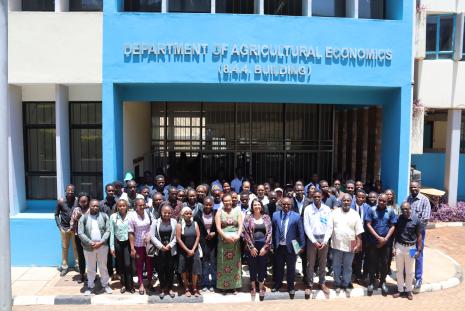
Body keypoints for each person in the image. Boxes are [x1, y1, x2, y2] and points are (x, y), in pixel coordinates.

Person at [328, 194, 364, 293]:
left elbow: (359, 231)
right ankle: (337, 282)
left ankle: (346, 282)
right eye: (344, 200)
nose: (346, 202)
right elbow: (329, 228)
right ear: (341, 201)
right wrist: (325, 241)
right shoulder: (334, 213)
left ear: (351, 201)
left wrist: (359, 244)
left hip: (351, 242)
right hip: (336, 242)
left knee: (348, 265)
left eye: (348, 200)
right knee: (336, 265)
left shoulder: (355, 214)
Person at [271, 197, 305, 299]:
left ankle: (290, 286)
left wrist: (302, 245)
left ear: (291, 205)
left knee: (291, 268)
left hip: (291, 246)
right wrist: (272, 244)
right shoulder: (275, 215)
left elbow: (301, 232)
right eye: (284, 204)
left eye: (288, 204)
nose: (286, 206)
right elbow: (273, 231)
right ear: (281, 205)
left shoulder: (296, 216)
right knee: (279, 267)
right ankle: (278, 284)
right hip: (279, 246)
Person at [78, 199, 112, 295]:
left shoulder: (104, 216)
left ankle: (105, 285)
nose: (95, 207)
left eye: (97, 206)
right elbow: (80, 233)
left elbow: (108, 230)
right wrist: (90, 243)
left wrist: (101, 242)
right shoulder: (83, 218)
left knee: (103, 267)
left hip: (102, 246)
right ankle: (90, 285)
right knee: (90, 268)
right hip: (89, 247)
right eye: (93, 206)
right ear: (89, 206)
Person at [365, 193, 397, 296]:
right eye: (380, 200)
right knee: (372, 263)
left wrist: (386, 239)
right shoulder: (371, 209)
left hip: (386, 243)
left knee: (384, 264)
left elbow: (392, 226)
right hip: (373, 242)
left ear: (387, 202)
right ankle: (371, 283)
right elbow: (368, 224)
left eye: (384, 201)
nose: (382, 202)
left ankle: (383, 283)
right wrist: (378, 238)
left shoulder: (391, 211)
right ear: (378, 200)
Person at [303, 190, 332, 297]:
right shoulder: (308, 209)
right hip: (312, 240)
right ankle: (309, 284)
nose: (317, 198)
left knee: (323, 263)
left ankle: (322, 283)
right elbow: (306, 226)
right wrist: (314, 241)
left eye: (319, 197)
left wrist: (325, 241)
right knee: (310, 263)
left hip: (324, 239)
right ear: (312, 197)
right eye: (315, 197)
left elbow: (330, 227)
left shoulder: (327, 209)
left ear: (322, 197)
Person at [393, 202, 423, 301]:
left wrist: (419, 250)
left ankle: (409, 290)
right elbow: (395, 233)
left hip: (411, 248)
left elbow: (419, 235)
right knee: (399, 270)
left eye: (406, 209)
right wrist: (394, 247)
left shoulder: (416, 220)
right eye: (403, 209)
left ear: (410, 209)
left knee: (409, 271)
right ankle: (400, 289)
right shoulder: (398, 218)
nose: (405, 211)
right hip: (399, 247)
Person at [243, 199, 272, 301]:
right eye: (255, 205)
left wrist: (265, 247)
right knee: (252, 266)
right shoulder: (248, 218)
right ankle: (253, 287)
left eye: (258, 204)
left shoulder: (266, 217)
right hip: (252, 247)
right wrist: (251, 247)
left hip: (263, 246)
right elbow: (245, 233)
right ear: (252, 206)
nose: (257, 206)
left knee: (262, 266)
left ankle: (261, 287)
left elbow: (269, 233)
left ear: (261, 206)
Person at [215, 194, 244, 294]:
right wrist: (225, 236)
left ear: (232, 201)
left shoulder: (238, 211)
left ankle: (234, 286)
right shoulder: (219, 212)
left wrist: (238, 236)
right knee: (223, 264)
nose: (228, 203)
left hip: (235, 242)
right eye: (225, 201)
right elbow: (218, 228)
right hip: (223, 242)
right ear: (222, 202)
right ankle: (223, 287)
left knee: (235, 265)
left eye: (229, 201)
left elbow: (240, 225)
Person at [406, 181, 431, 291]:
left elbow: (425, 219)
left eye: (415, 187)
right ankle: (409, 276)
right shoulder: (409, 198)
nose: (413, 189)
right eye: (411, 187)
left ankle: (418, 278)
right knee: (411, 254)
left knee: (418, 254)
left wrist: (415, 230)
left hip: (419, 233)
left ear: (419, 187)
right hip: (409, 233)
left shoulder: (424, 200)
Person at [150, 204, 177, 299]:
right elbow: (152, 236)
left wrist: (170, 245)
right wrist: (161, 246)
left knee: (170, 270)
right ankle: (162, 288)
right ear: (161, 212)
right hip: (160, 250)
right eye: (165, 212)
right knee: (160, 270)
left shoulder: (174, 221)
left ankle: (169, 288)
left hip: (170, 249)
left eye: (169, 212)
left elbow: (176, 236)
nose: (167, 214)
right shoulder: (155, 222)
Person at [129, 198, 154, 295]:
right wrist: (132, 248)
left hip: (149, 243)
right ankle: (141, 284)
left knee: (150, 264)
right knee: (139, 264)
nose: (142, 206)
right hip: (138, 244)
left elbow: (152, 225)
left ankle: (150, 282)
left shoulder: (148, 212)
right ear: (136, 205)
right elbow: (130, 233)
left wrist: (149, 235)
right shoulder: (132, 216)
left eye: (143, 204)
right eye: (140, 205)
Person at [109, 199, 134, 294]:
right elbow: (111, 232)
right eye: (120, 206)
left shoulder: (131, 215)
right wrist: (112, 247)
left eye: (124, 205)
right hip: (118, 243)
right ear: (117, 207)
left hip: (128, 243)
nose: (122, 207)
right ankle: (123, 284)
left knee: (128, 264)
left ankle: (130, 286)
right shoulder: (113, 217)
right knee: (121, 265)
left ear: (126, 206)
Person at [176, 207, 202, 297]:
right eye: (186, 213)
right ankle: (186, 287)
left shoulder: (195, 223)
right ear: (182, 215)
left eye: (190, 213)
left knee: (195, 269)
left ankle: (194, 287)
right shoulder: (179, 225)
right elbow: (178, 239)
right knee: (184, 269)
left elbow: (198, 237)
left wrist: (193, 250)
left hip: (194, 250)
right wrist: (187, 250)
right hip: (183, 251)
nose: (189, 215)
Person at [194, 197, 217, 292]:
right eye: (206, 204)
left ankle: (214, 282)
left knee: (213, 262)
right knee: (204, 262)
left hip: (214, 242)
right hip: (202, 242)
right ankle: (205, 282)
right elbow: (195, 228)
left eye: (210, 204)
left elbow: (220, 226)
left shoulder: (216, 213)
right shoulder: (198, 215)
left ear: (213, 204)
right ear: (203, 204)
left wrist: (214, 233)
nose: (208, 206)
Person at [55, 184, 78, 276]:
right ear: (66, 191)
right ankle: (64, 266)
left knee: (76, 247)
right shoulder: (60, 201)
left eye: (72, 191)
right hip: (64, 228)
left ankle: (77, 265)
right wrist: (59, 226)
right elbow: (56, 214)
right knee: (65, 248)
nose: (70, 193)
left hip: (75, 228)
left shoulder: (77, 201)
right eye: (68, 191)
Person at [351, 189, 371, 284]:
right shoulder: (350, 206)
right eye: (359, 197)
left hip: (363, 236)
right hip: (352, 235)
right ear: (355, 197)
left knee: (360, 256)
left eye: (363, 197)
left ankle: (358, 275)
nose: (361, 199)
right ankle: (351, 274)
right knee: (352, 255)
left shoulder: (368, 207)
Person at [292, 183, 311, 284]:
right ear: (295, 191)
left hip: (306, 234)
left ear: (304, 190)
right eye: (297, 190)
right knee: (295, 254)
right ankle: (293, 275)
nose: (299, 192)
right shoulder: (291, 202)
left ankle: (306, 276)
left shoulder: (309, 201)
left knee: (305, 256)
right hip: (295, 235)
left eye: (301, 190)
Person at [70, 192, 90, 283]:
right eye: (81, 202)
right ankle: (82, 274)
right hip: (79, 237)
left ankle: (92, 275)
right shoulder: (76, 210)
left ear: (88, 201)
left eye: (85, 201)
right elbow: (71, 226)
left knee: (91, 256)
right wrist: (75, 219)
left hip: (90, 237)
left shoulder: (91, 209)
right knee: (81, 256)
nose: (83, 203)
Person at [100, 183, 117, 278]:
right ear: (106, 191)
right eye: (109, 190)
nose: (111, 192)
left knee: (117, 252)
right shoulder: (101, 204)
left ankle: (119, 272)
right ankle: (110, 273)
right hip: (105, 232)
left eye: (112, 191)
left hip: (117, 232)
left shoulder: (118, 202)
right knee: (107, 254)